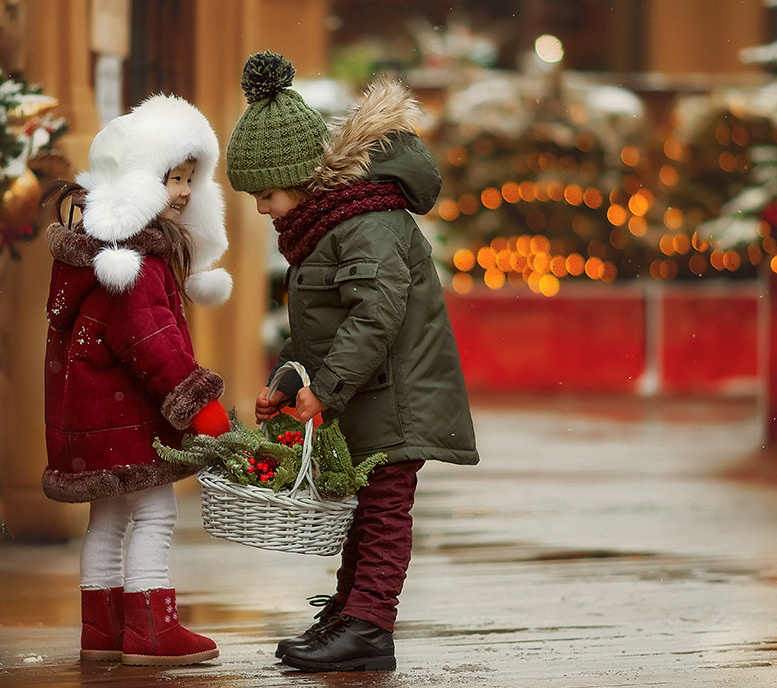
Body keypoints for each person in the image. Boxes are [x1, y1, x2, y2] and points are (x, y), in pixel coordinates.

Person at [224, 51, 479, 673]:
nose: (262, 208)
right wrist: (288, 381)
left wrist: (328, 390)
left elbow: (375, 316)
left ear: (300, 177)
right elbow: (319, 328)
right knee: (367, 509)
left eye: (267, 193)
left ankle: (370, 626)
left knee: (386, 511)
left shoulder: (365, 224)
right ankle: (349, 612)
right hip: (374, 391)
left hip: (398, 396)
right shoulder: (326, 226)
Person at [40, 94, 233, 666]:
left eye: (190, 178)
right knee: (155, 512)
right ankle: (152, 628)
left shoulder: (91, 256)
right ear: (138, 182)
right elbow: (153, 346)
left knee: (110, 514)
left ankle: (102, 631)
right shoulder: (136, 265)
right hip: (127, 417)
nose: (184, 191)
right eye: (172, 177)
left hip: (92, 414)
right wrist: (199, 402)